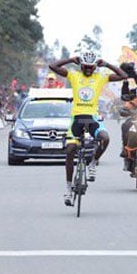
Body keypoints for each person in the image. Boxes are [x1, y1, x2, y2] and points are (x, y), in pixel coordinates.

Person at [49, 52, 127, 206]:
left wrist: (107, 64)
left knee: (105, 138)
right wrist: (70, 60)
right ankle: (68, 189)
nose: (89, 70)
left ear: (94, 66)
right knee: (70, 150)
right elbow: (53, 66)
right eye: (86, 67)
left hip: (92, 118)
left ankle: (93, 163)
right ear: (81, 66)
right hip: (77, 118)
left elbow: (123, 75)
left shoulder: (100, 77)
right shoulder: (73, 75)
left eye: (91, 67)